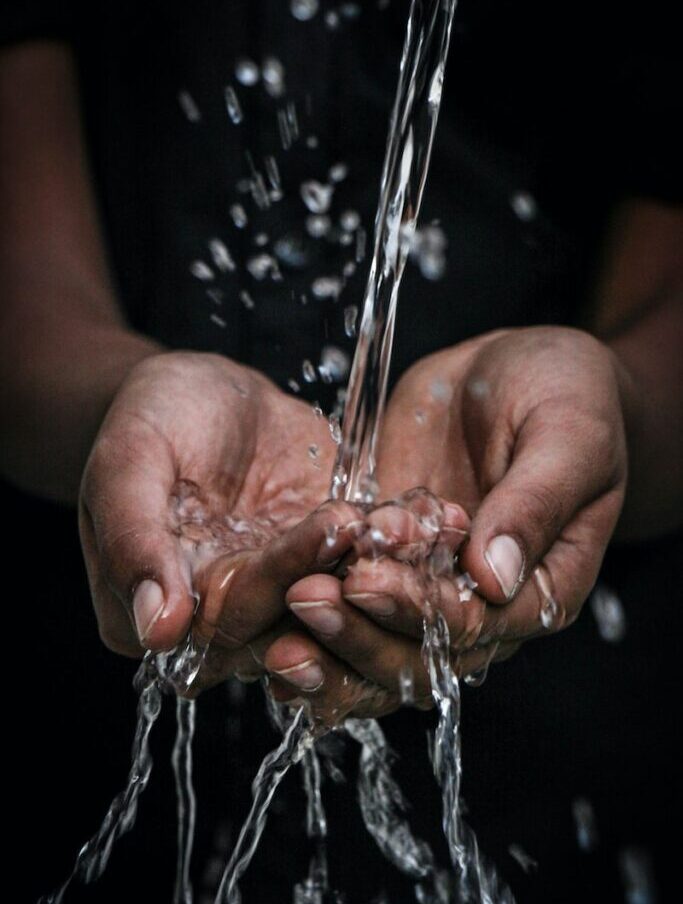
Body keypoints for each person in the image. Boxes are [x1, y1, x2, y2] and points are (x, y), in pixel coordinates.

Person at [1, 1, 681, 900]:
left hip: (554, 725)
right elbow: (24, 316)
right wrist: (116, 409)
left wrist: (612, 406)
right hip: (68, 697)